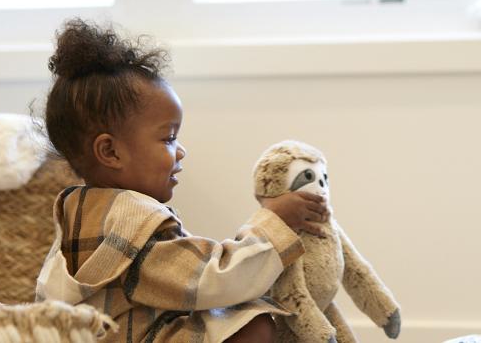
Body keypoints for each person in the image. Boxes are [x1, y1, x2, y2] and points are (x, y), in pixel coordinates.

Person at [34, 18, 330, 343]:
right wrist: (274, 222)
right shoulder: (136, 225)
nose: (180, 151)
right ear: (110, 151)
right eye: (168, 138)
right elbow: (215, 278)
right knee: (254, 325)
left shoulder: (79, 210)